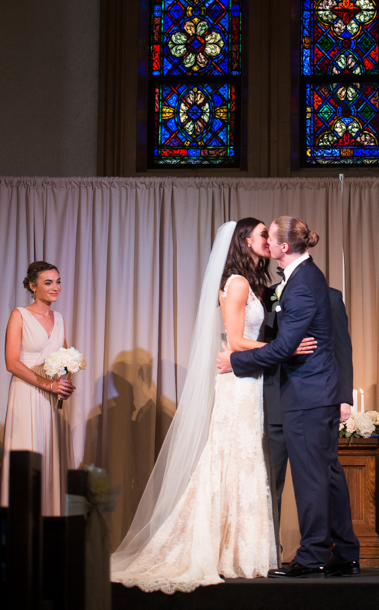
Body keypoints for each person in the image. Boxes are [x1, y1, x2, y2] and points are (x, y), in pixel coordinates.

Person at [111, 219, 315, 593]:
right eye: (262, 236)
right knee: (232, 458)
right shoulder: (236, 283)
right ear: (245, 242)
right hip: (238, 382)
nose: (269, 241)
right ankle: (214, 548)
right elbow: (236, 341)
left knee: (248, 462)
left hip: (253, 382)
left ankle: (240, 551)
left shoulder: (256, 285)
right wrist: (287, 348)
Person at [218, 216, 360, 578]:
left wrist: (236, 359)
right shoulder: (297, 280)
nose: (268, 244)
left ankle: (313, 555)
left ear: (283, 248)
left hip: (308, 393)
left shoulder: (301, 285)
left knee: (313, 477)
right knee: (327, 474)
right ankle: (345, 551)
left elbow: (284, 347)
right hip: (309, 392)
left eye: (271, 238)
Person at [262, 270, 354, 519]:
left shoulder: (331, 297)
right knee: (269, 484)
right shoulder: (267, 295)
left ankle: (322, 549)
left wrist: (344, 398)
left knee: (319, 480)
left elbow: (341, 351)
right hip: (275, 400)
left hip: (315, 401)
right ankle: (272, 552)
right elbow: (261, 343)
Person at [1, 261, 75, 515]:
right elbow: (12, 362)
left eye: (58, 281)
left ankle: (52, 521)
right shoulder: (19, 315)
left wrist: (65, 379)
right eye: (48, 282)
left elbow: (65, 358)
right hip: (27, 393)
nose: (56, 287)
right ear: (32, 286)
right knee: (29, 452)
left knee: (50, 454)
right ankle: (22, 527)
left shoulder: (60, 319)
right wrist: (48, 384)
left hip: (52, 397)